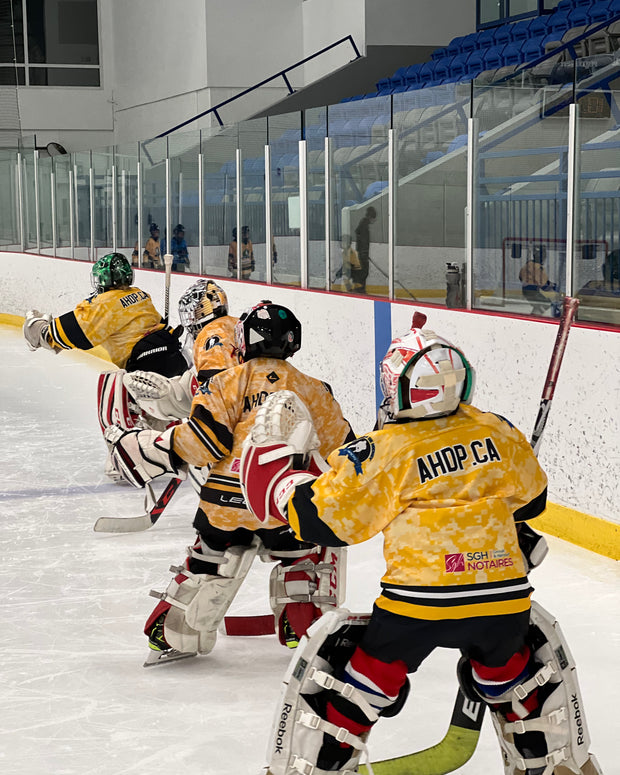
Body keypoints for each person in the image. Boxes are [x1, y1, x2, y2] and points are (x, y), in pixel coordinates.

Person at [240, 312, 601, 775]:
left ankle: (323, 759)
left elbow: (324, 523)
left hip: (420, 603)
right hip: (502, 597)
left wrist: (283, 481)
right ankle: (552, 756)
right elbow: (532, 502)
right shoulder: (498, 430)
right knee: (514, 669)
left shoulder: (386, 449)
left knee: (359, 670)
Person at [105, 300, 355, 666]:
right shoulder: (314, 389)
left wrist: (151, 446)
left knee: (206, 560)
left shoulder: (225, 382)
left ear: (244, 341)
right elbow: (344, 450)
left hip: (225, 500)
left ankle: (171, 633)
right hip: (279, 503)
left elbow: (203, 442)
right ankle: (299, 627)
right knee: (305, 555)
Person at [23, 252, 188, 479]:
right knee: (158, 403)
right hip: (174, 362)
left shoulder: (103, 305)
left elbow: (61, 336)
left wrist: (35, 327)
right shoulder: (140, 295)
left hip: (144, 368)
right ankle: (172, 445)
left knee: (112, 381)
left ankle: (123, 456)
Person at [122, 279, 240, 493]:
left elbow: (216, 385)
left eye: (194, 312)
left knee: (197, 454)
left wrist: (198, 427)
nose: (190, 318)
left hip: (233, 428)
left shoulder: (211, 334)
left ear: (205, 310)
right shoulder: (234, 324)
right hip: (250, 413)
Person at [519, 245, 560, 317]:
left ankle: (532, 317)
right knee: (545, 303)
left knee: (539, 304)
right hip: (532, 291)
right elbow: (542, 283)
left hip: (526, 290)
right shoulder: (538, 267)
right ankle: (533, 318)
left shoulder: (527, 264)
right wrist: (553, 287)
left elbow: (520, 277)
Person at [353, 206, 377, 294]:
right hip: (362, 255)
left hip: (362, 254)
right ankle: (360, 289)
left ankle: (360, 288)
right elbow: (363, 241)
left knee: (362, 273)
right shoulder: (364, 226)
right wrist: (364, 254)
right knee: (363, 272)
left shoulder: (363, 225)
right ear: (371, 217)